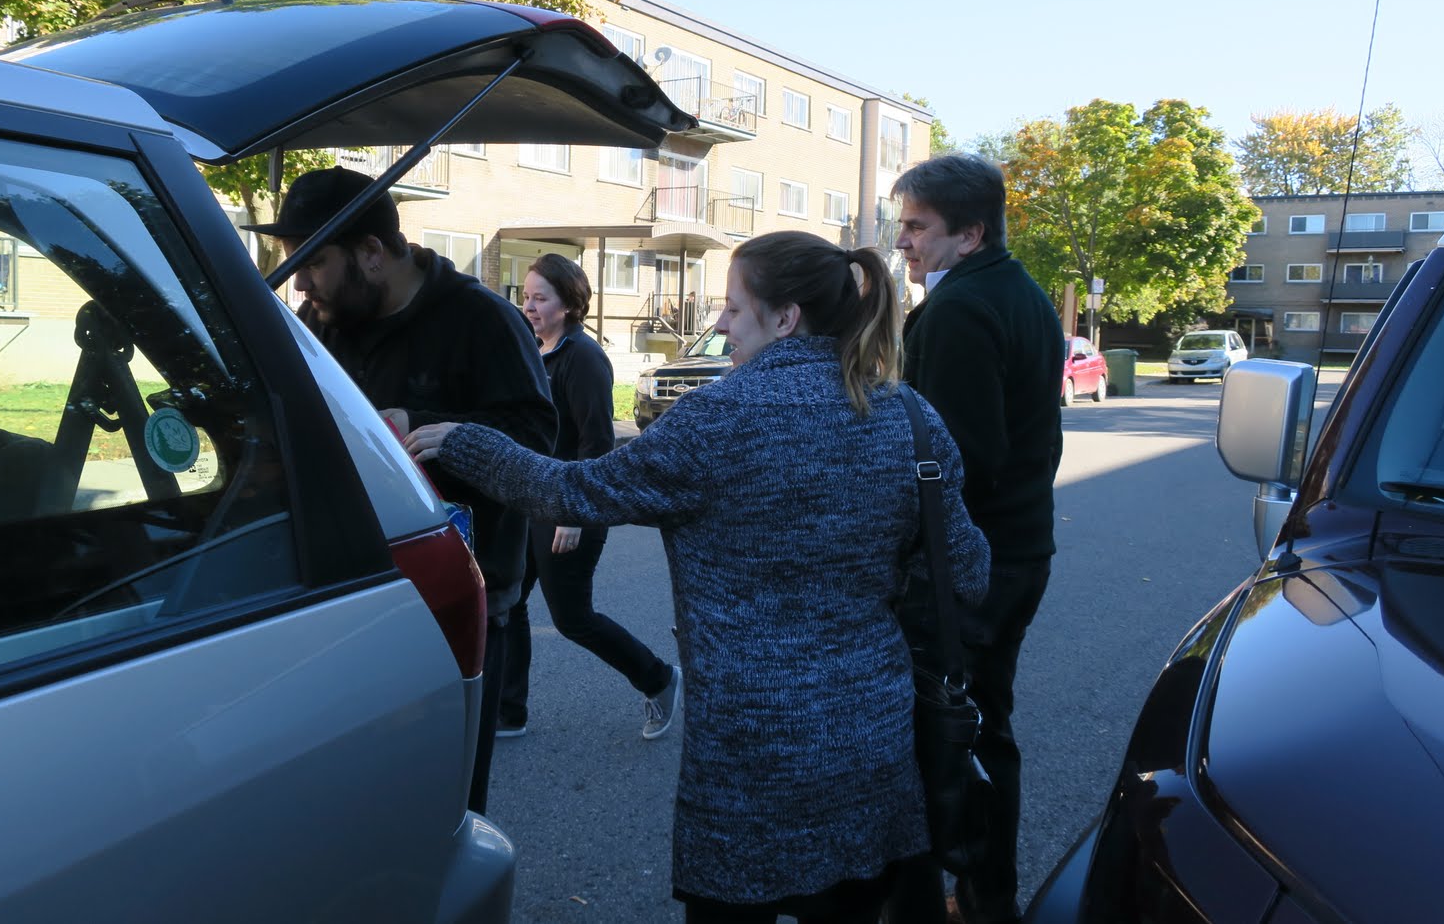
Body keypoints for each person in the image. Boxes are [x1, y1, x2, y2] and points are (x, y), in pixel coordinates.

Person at [405, 231, 990, 924]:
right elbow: (969, 571)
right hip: (872, 736)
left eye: (733, 308)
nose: (720, 323)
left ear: (785, 317)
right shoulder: (909, 416)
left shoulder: (719, 417)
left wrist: (465, 441)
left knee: (734, 903)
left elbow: (576, 491)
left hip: (750, 747)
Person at [247, 166, 556, 817]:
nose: (300, 282)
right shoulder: (324, 318)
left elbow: (535, 439)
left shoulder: (482, 321)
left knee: (443, 807)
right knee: (357, 806)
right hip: (346, 593)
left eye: (313, 261)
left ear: (370, 252)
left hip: (457, 603)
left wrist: (423, 427)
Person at [888, 154, 1064, 924]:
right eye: (902, 224)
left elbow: (959, 458)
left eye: (917, 226)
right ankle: (987, 896)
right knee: (983, 722)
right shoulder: (1021, 293)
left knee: (942, 734)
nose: (903, 240)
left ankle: (956, 903)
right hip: (1020, 548)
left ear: (970, 234)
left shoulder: (960, 308)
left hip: (973, 563)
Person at [499, 253, 681, 740]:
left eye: (540, 298)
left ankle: (659, 678)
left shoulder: (583, 358)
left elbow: (597, 443)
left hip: (570, 506)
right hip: (528, 502)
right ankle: (509, 711)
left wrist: (575, 513)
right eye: (526, 296)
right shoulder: (534, 350)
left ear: (568, 304)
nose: (529, 306)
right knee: (509, 603)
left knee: (572, 618)